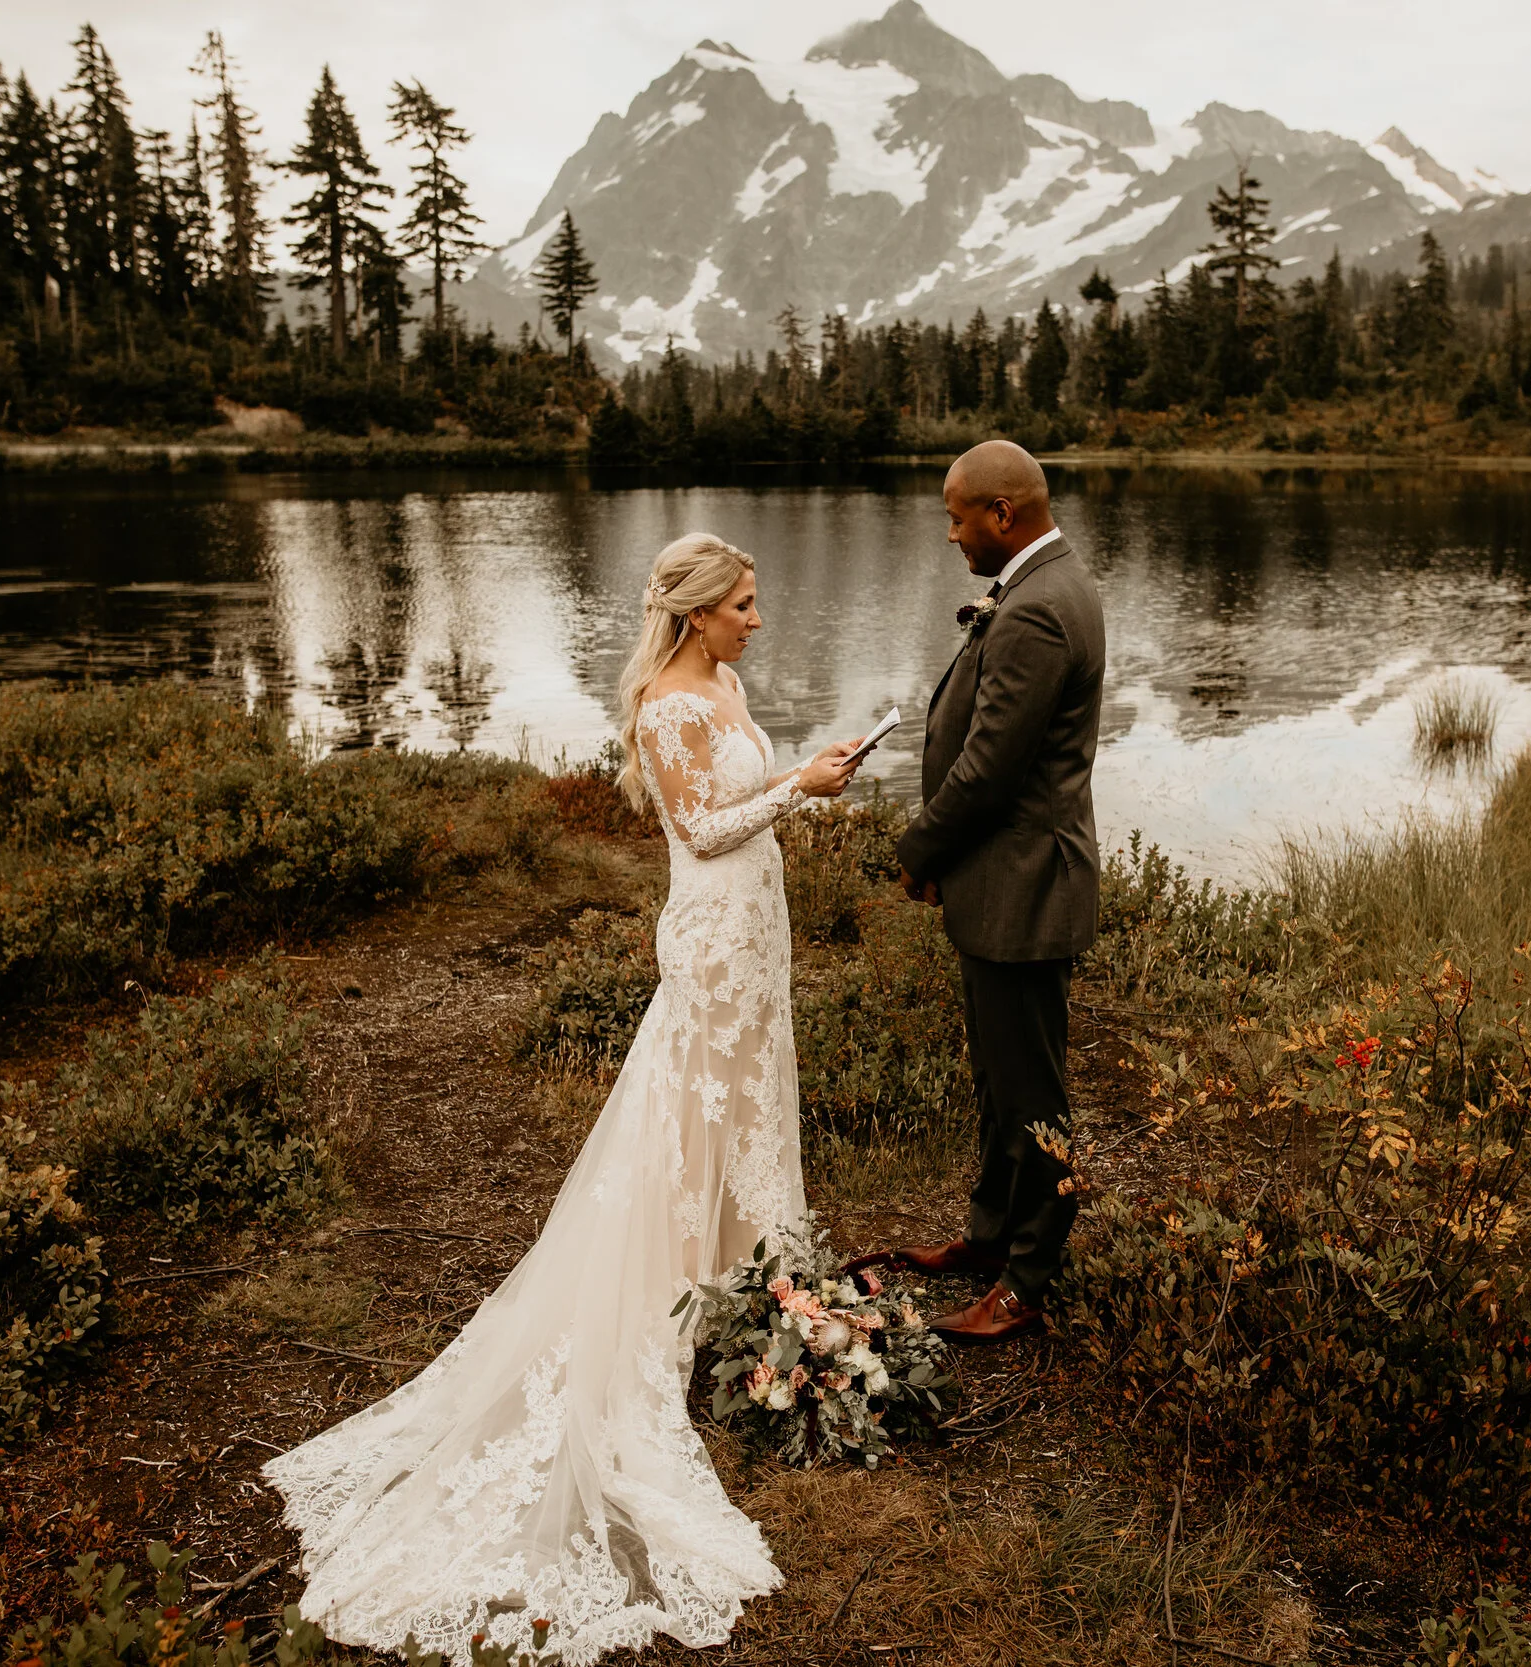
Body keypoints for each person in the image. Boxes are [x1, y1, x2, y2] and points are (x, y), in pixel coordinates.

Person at [264, 533, 863, 1662]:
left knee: (748, 1104)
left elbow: (744, 804)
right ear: (696, 614)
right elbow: (702, 830)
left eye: (755, 600)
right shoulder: (666, 707)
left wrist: (805, 771)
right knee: (690, 1108)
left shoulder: (727, 685)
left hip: (760, 927)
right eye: (743, 604)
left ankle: (749, 1279)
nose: (757, 618)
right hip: (710, 933)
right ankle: (678, 1291)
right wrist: (800, 785)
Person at [850, 440, 1105, 1345]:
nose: (951, 533)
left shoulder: (1038, 610)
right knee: (999, 1080)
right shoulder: (1040, 585)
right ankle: (992, 1235)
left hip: (1025, 886)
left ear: (1003, 513)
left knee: (1032, 1092)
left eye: (958, 517)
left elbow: (991, 768)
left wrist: (919, 848)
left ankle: (1029, 1277)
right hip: (1003, 881)